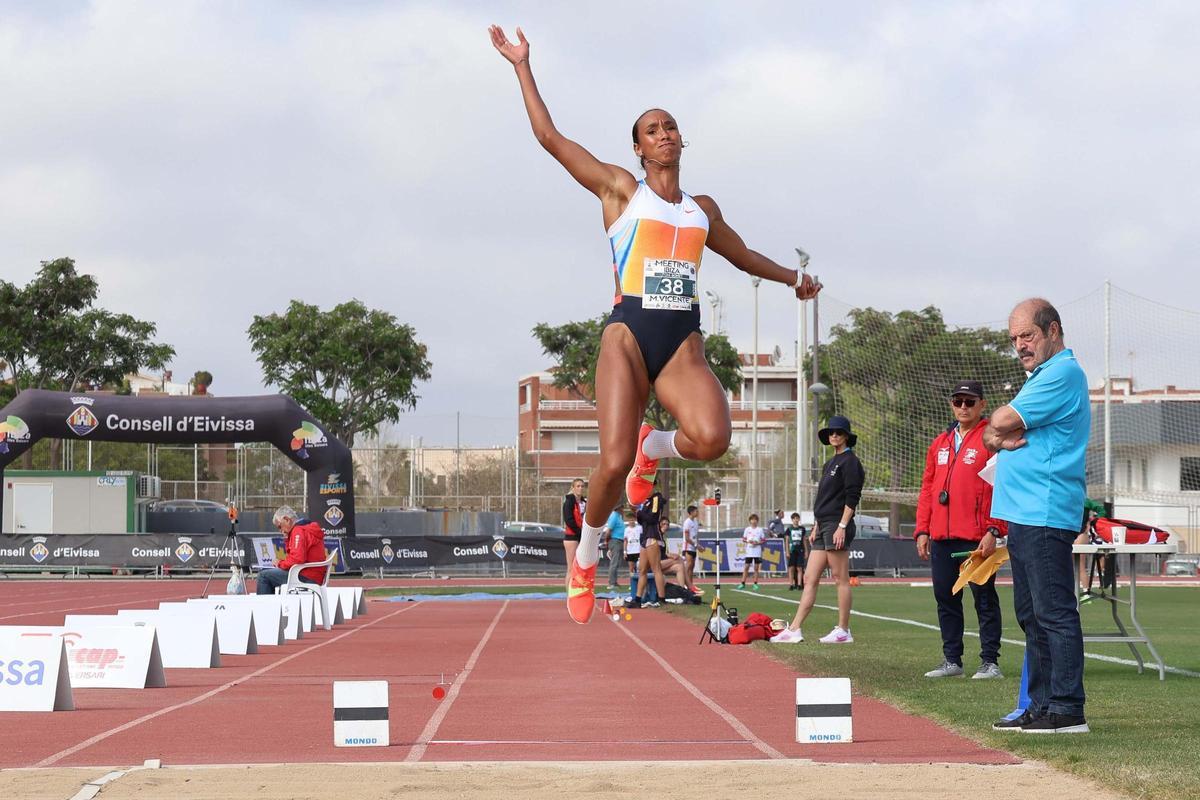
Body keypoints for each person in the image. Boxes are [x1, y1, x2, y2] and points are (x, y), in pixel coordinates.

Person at [489, 26, 822, 624]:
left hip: (680, 342)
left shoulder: (701, 210)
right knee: (612, 463)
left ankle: (655, 446)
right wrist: (522, 66)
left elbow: (743, 255)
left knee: (713, 439)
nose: (664, 133)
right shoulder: (621, 191)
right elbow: (548, 137)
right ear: (639, 149)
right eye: (652, 129)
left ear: (680, 140)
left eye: (670, 126)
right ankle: (585, 560)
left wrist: (792, 279)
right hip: (628, 335)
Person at [985, 299, 1091, 734]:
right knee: (1031, 615)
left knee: (1054, 612)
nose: (1019, 346)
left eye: (1026, 335)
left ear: (1053, 330)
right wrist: (997, 435)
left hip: (1045, 509)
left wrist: (999, 431)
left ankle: (1067, 709)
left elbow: (1000, 420)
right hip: (1025, 513)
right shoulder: (1040, 377)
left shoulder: (1062, 372)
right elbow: (992, 433)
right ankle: (1042, 704)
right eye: (1014, 339)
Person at [914, 380, 1006, 680]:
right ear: (951, 404)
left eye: (969, 401)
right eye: (958, 401)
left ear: (982, 404)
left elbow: (1001, 486)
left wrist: (994, 529)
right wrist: (923, 529)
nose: (963, 407)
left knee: (984, 599)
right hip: (941, 536)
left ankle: (990, 662)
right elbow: (928, 488)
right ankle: (952, 661)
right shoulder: (939, 443)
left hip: (977, 537)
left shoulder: (991, 439)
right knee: (946, 598)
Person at [771, 415, 865, 644]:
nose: (834, 435)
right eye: (831, 432)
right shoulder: (830, 463)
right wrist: (816, 525)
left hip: (837, 524)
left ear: (846, 436)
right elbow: (824, 498)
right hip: (823, 525)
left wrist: (842, 526)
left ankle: (843, 630)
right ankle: (795, 629)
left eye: (839, 432)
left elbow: (852, 497)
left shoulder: (850, 462)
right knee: (810, 577)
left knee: (840, 578)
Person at [256, 506, 327, 595]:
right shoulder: (305, 528)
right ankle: (271, 603)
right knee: (267, 573)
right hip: (313, 574)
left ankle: (265, 604)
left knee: (263, 576)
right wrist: (287, 539)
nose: (280, 530)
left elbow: (297, 559)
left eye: (279, 526)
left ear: (287, 519)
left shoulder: (298, 531)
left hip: (306, 576)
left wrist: (280, 563)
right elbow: (293, 556)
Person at [561, 478, 586, 587]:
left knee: (581, 567)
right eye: (578, 486)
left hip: (582, 536)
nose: (580, 488)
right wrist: (580, 532)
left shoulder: (584, 502)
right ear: (573, 488)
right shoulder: (569, 502)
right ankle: (569, 594)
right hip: (572, 537)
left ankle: (579, 591)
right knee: (571, 568)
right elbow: (569, 520)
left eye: (582, 486)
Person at [738, 513, 765, 590]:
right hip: (749, 551)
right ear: (750, 521)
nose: (754, 521)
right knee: (746, 567)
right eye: (752, 519)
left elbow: (763, 540)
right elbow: (744, 539)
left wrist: (757, 543)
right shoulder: (747, 529)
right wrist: (748, 541)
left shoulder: (760, 530)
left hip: (757, 551)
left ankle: (755, 584)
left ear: (757, 521)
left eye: (755, 519)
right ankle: (742, 583)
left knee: (756, 568)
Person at [603, 504, 626, 590]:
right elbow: (608, 530)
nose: (623, 509)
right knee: (614, 562)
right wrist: (606, 540)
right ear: (618, 508)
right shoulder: (614, 516)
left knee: (616, 562)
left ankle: (614, 582)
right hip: (615, 540)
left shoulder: (618, 516)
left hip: (619, 541)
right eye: (621, 507)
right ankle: (611, 583)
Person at [785, 512, 807, 591]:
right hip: (792, 550)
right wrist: (787, 551)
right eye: (794, 519)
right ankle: (791, 584)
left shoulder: (802, 529)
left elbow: (804, 540)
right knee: (791, 568)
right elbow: (787, 541)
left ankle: (799, 584)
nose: (796, 520)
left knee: (799, 568)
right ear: (792, 520)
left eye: (797, 518)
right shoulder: (789, 529)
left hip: (800, 550)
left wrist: (806, 551)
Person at [681, 505, 700, 591]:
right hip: (688, 547)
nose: (697, 512)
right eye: (696, 511)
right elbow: (687, 538)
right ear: (691, 512)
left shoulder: (695, 521)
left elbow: (696, 535)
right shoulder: (687, 522)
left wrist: (698, 545)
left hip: (693, 547)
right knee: (688, 566)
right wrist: (696, 545)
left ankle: (691, 585)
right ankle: (684, 585)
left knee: (692, 566)